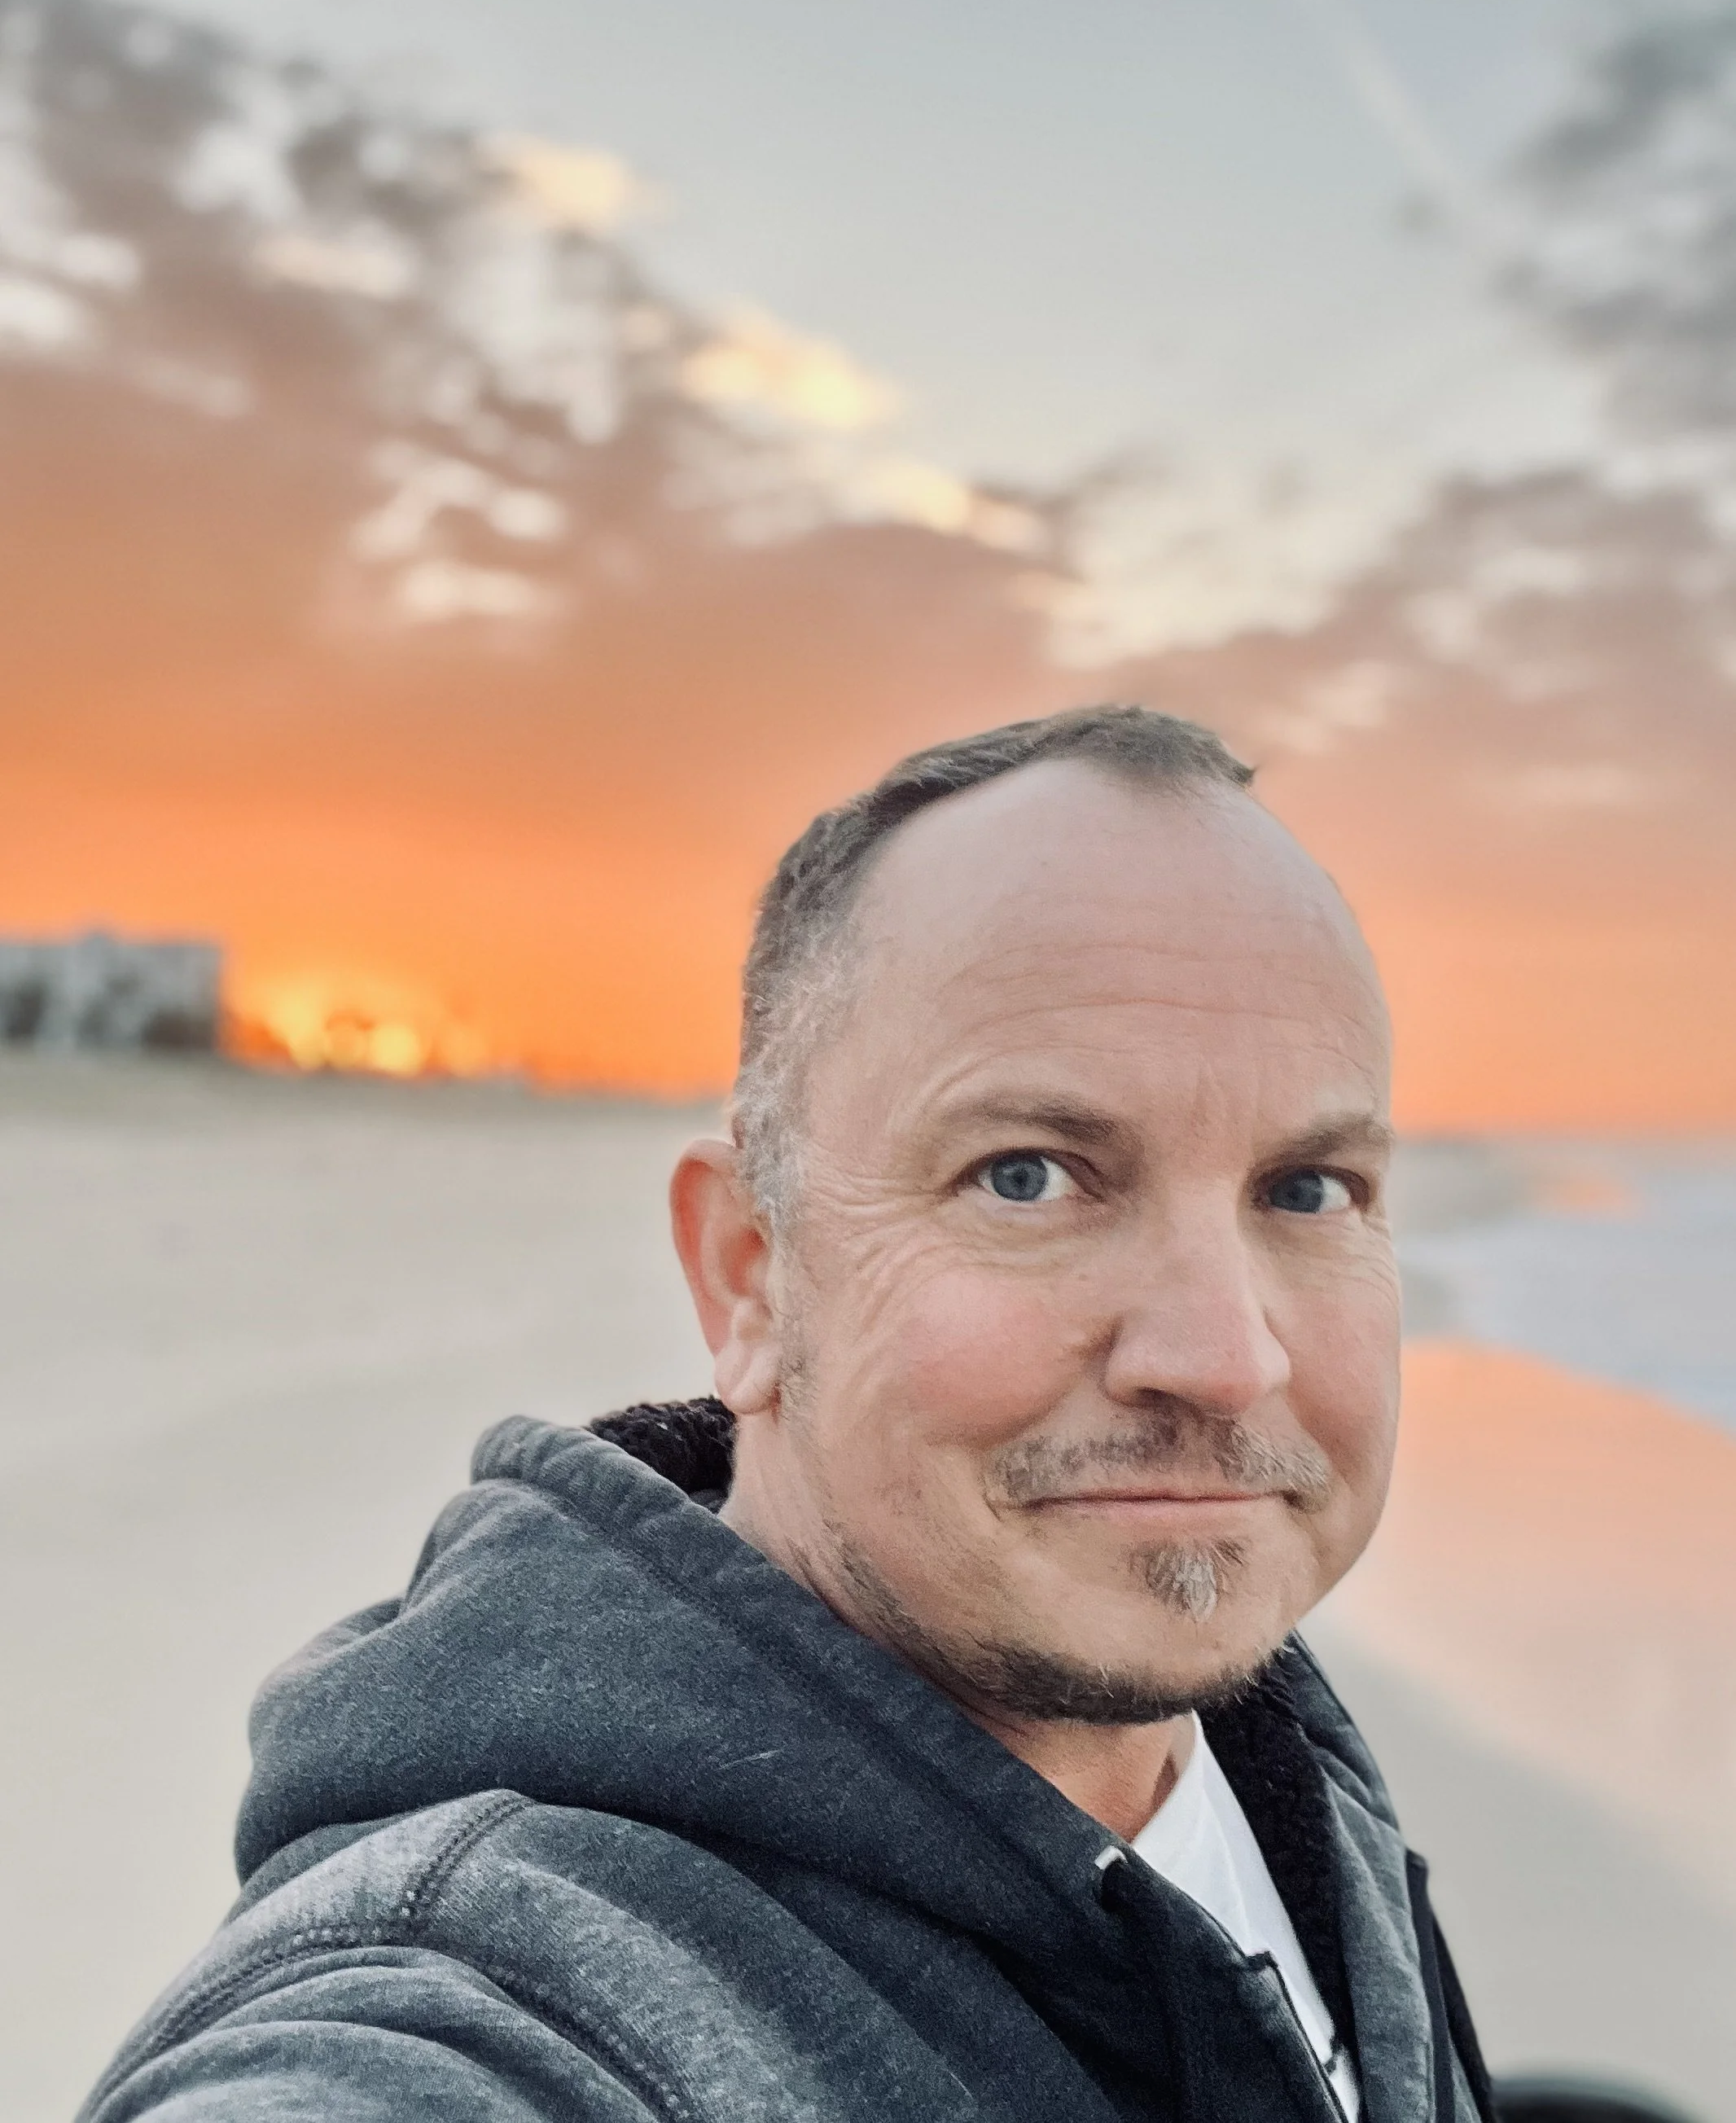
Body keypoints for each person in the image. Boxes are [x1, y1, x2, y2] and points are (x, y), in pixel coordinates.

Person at [81, 706, 1496, 2123]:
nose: (1221, 1354)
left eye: (1308, 1189)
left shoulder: (1279, 1779)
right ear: (749, 1274)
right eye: (1029, 1176)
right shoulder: (488, 2001)